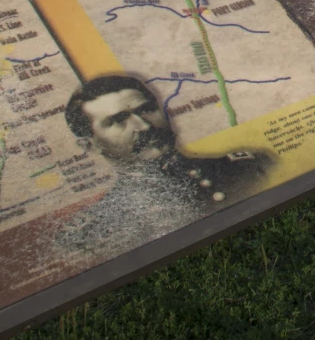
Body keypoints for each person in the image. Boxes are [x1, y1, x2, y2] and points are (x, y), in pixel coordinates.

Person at [56, 75, 272, 258]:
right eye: (118, 120)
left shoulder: (246, 166)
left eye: (148, 109)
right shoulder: (94, 228)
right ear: (89, 144)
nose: (144, 125)